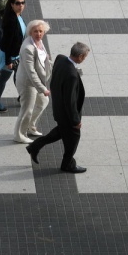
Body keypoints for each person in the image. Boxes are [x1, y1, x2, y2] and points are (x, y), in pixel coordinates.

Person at [26, 42, 90, 173]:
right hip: (67, 114)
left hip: (58, 109)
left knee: (61, 132)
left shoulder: (60, 59)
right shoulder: (72, 75)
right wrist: (75, 120)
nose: (85, 59)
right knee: (73, 138)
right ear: (80, 56)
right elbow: (70, 101)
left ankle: (35, 146)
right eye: (85, 57)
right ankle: (67, 164)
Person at [13, 20, 52, 143]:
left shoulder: (39, 42)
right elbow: (31, 72)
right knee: (26, 110)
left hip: (36, 81)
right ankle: (19, 135)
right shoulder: (28, 48)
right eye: (35, 31)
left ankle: (30, 126)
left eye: (41, 31)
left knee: (43, 102)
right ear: (30, 32)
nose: (38, 34)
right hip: (27, 83)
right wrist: (43, 88)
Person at [0, 0, 26, 113]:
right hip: (9, 55)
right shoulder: (10, 21)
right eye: (17, 3)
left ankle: (22, 97)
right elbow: (6, 42)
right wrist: (8, 60)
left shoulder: (18, 16)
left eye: (22, 3)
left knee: (19, 75)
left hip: (17, 54)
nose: (20, 5)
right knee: (4, 78)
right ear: (11, 5)